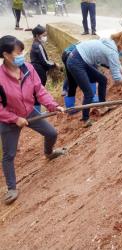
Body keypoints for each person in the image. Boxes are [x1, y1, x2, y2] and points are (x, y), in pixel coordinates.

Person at [0, 36, 66, 205]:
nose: (22, 54)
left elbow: (39, 90)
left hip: (30, 112)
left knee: (51, 133)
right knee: (9, 154)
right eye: (19, 52)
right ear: (6, 55)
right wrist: (14, 119)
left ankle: (49, 153)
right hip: (9, 120)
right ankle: (11, 187)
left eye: (22, 51)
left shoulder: (28, 68)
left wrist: (53, 106)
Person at [66, 32, 122, 127]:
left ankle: (103, 105)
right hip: (76, 62)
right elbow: (117, 77)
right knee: (89, 94)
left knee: (102, 79)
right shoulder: (112, 52)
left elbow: (117, 65)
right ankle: (85, 120)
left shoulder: (111, 44)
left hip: (80, 58)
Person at [30, 25, 59, 112]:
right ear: (36, 35)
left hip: (36, 68)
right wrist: (54, 64)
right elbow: (44, 61)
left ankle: (37, 111)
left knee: (36, 91)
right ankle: (37, 112)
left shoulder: (35, 44)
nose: (45, 37)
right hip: (39, 70)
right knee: (38, 91)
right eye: (43, 35)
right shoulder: (37, 45)